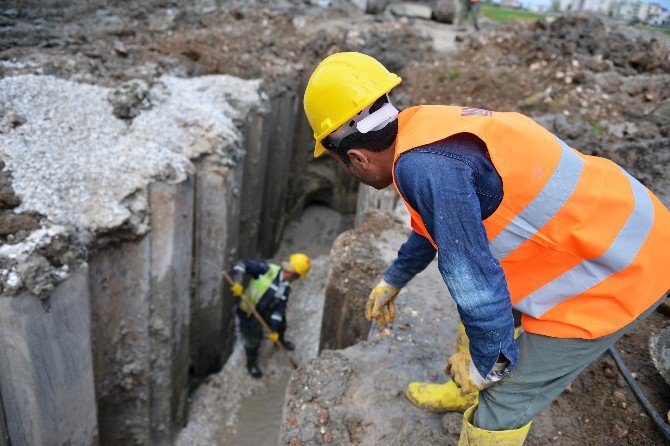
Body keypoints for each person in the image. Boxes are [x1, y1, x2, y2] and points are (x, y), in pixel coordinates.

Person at [302, 52, 670, 445]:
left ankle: (481, 398)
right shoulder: (421, 130)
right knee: (480, 319)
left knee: (505, 394)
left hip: (624, 267)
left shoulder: (423, 169)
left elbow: (473, 280)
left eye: (343, 165)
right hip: (614, 226)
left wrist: (488, 367)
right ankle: (463, 392)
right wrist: (393, 279)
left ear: (355, 158)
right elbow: (432, 229)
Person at [230, 253, 311, 378]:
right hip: (250, 312)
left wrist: (273, 329)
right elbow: (241, 265)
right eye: (299, 276)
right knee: (252, 340)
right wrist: (237, 281)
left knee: (280, 324)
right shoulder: (267, 270)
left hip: (267, 310)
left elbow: (280, 308)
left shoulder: (287, 285)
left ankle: (279, 340)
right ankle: (251, 364)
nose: (298, 278)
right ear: (294, 273)